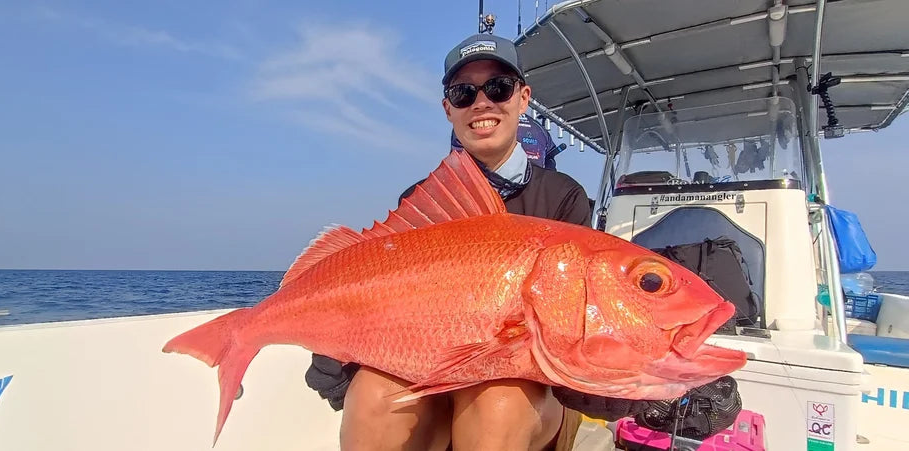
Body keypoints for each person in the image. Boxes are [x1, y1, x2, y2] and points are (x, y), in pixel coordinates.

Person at [305, 33, 740, 450]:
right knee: (372, 395)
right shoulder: (421, 198)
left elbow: (577, 332)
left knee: (499, 401)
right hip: (441, 375)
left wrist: (639, 385)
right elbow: (396, 300)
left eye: (499, 87)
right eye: (464, 93)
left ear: (523, 97)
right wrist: (337, 342)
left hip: (533, 392)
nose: (482, 103)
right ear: (447, 109)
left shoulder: (563, 195)